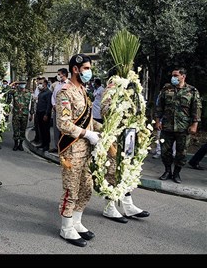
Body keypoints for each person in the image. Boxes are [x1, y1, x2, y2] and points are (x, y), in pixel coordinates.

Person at [55, 54, 101, 247]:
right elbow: (63, 124)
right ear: (75, 69)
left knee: (86, 187)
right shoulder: (65, 92)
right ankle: (66, 227)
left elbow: (89, 121)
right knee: (71, 189)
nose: (89, 72)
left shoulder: (82, 90)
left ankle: (77, 222)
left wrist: (103, 128)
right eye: (86, 68)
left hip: (86, 151)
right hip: (72, 150)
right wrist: (87, 134)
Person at [100, 79, 149, 223]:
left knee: (127, 169)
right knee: (112, 170)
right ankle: (109, 207)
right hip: (114, 135)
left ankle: (128, 206)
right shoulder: (111, 89)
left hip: (130, 135)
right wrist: (119, 99)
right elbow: (104, 112)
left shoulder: (134, 88)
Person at [155, 67, 202, 184]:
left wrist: (194, 124)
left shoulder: (192, 91)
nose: (173, 78)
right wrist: (157, 121)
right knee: (165, 151)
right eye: (172, 75)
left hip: (184, 127)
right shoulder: (166, 89)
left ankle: (176, 173)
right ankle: (167, 171)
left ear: (183, 76)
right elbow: (159, 105)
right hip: (167, 126)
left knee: (182, 153)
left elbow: (196, 108)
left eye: (176, 75)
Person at [9, 80, 33, 151]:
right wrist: (12, 83)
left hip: (25, 115)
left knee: (23, 130)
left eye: (23, 83)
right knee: (16, 130)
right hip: (16, 114)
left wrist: (32, 114)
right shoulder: (15, 92)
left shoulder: (28, 93)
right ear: (18, 84)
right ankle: (16, 144)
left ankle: (21, 144)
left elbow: (32, 104)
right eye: (21, 84)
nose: (22, 85)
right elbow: (6, 90)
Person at [50, 68, 69, 153]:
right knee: (56, 128)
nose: (58, 76)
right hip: (56, 110)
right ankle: (56, 146)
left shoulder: (69, 84)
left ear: (64, 74)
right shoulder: (57, 85)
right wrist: (53, 104)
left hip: (65, 111)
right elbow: (53, 96)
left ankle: (64, 147)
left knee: (64, 129)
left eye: (59, 74)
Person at [35, 77, 52, 152]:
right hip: (39, 112)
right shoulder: (41, 92)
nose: (39, 85)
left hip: (44, 113)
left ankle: (46, 145)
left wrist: (46, 114)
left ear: (45, 84)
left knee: (46, 130)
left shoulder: (48, 93)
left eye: (41, 83)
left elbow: (49, 104)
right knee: (41, 129)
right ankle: (42, 143)